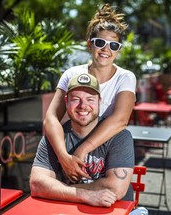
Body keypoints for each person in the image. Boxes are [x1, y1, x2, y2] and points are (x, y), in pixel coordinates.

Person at [43, 3, 136, 183]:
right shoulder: (72, 74)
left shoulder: (125, 78)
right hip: (70, 150)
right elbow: (51, 118)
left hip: (107, 154)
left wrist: (82, 150)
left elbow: (120, 120)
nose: (106, 49)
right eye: (100, 42)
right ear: (89, 44)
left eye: (113, 45)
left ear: (118, 49)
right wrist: (64, 157)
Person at [30, 73, 135, 207]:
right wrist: (84, 195)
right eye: (75, 99)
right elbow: (37, 184)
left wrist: (57, 189)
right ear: (66, 101)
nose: (83, 105)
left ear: (99, 101)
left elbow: (115, 188)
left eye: (90, 99)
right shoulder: (55, 137)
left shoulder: (119, 137)